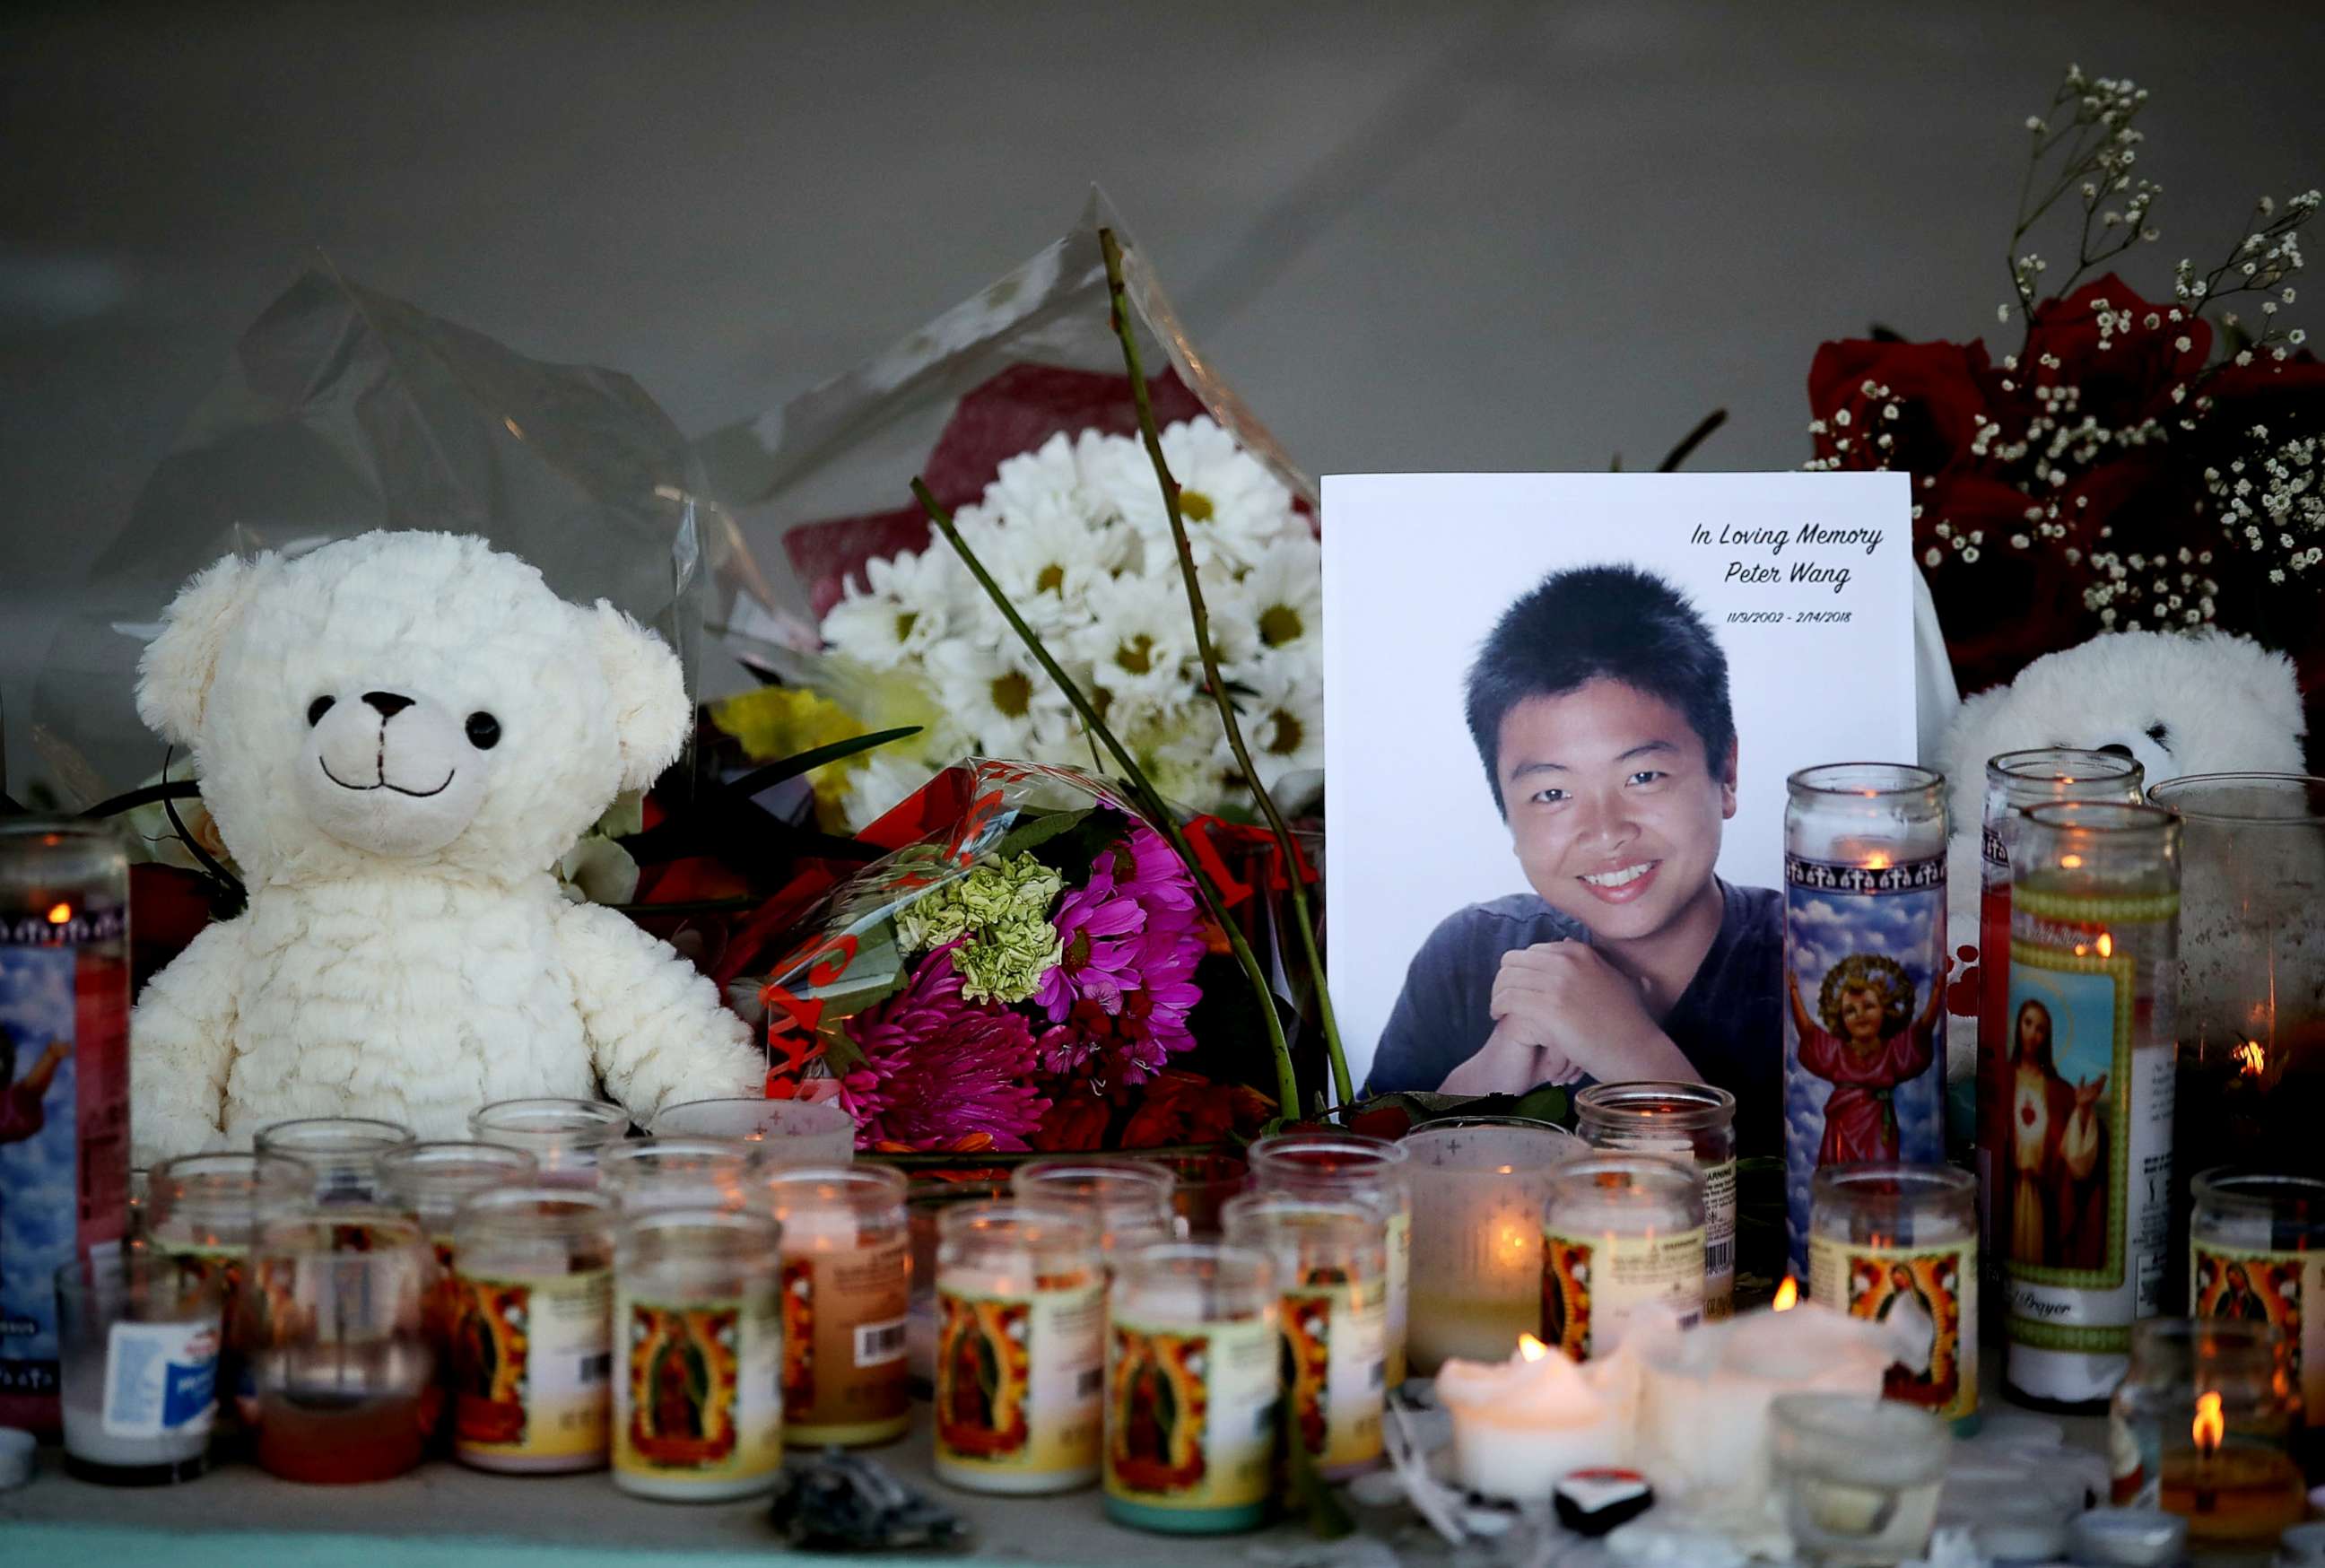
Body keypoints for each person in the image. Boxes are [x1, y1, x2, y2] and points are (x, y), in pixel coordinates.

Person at [1366, 564, 1783, 1153]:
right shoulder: (1465, 960)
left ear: (1728, 773)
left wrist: (1630, 1052)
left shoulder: (1819, 969)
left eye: (1643, 776)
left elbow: (1837, 1227)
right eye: (1553, 794)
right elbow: (1366, 1194)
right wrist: (1496, 1072)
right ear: (1507, 813)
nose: (1606, 832)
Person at [1788, 954, 1944, 1166]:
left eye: (1869, 1006)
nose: (1860, 1014)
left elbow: (1922, 1031)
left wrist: (1936, 994)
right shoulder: (1837, 1052)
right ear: (1840, 1019)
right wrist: (1795, 993)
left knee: (1880, 1172)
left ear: (1885, 1009)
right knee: (1838, 1174)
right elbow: (1808, 1033)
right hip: (1842, 1123)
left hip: (1879, 1125)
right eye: (1850, 1011)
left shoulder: (1892, 1051)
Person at [2006, 998, 2109, 1271]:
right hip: (2009, 1195)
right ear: (2018, 1026)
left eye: (2040, 1029)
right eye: (2027, 1023)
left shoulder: (2058, 1091)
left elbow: (2075, 1158)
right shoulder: (2004, 1078)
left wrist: (2083, 1110)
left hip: (2043, 1199)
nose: (2032, 1034)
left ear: (2047, 1037)